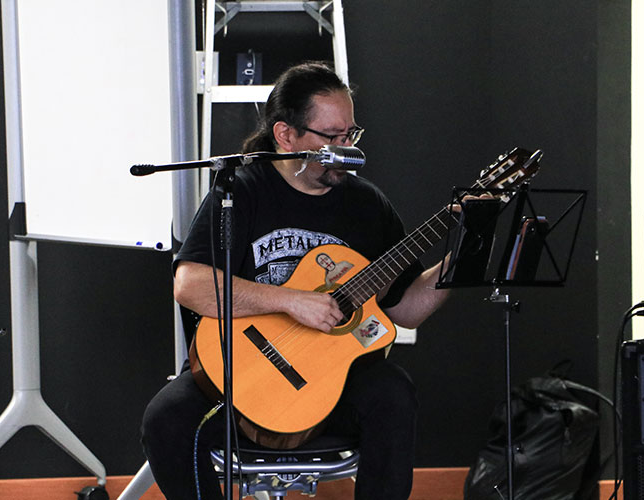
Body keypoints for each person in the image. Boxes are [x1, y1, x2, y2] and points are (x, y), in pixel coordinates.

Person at [141, 61, 455, 500]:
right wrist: (291, 300)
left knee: (393, 394)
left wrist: (461, 260)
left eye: (351, 135)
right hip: (243, 375)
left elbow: (404, 310)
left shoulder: (367, 205)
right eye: (332, 137)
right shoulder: (243, 191)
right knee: (166, 419)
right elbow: (190, 284)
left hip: (333, 383)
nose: (346, 148)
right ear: (286, 135)